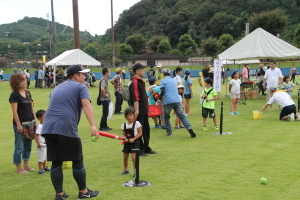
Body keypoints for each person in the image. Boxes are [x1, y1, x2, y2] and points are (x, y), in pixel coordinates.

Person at [41, 65, 100, 200]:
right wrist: (93, 126)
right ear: (75, 76)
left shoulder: (57, 87)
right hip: (65, 127)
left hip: (48, 128)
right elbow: (86, 105)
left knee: (56, 162)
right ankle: (83, 192)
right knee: (77, 159)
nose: (85, 77)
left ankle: (59, 195)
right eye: (83, 74)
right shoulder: (81, 87)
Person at [9, 73, 36, 174]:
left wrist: (34, 121)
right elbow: (15, 112)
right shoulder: (14, 95)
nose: (24, 82)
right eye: (21, 81)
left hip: (30, 123)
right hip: (21, 124)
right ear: (16, 83)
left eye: (24, 80)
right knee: (19, 146)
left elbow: (31, 107)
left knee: (28, 145)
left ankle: (26, 165)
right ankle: (18, 167)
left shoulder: (27, 93)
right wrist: (19, 125)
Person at [158, 68, 196, 137]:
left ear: (163, 74)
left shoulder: (163, 81)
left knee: (166, 117)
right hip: (177, 100)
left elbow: (162, 91)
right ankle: (189, 127)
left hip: (168, 101)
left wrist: (159, 100)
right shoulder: (174, 80)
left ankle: (169, 132)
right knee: (182, 116)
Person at [129, 63, 156, 156]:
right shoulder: (135, 82)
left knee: (146, 129)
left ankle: (146, 147)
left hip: (144, 110)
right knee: (139, 130)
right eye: (142, 69)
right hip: (139, 110)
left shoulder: (140, 81)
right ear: (137, 71)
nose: (144, 71)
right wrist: (136, 111)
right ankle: (140, 149)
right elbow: (136, 98)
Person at [120, 107, 142, 175]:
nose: (129, 117)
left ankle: (135, 171)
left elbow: (140, 133)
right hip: (127, 144)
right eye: (127, 116)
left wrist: (133, 139)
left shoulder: (137, 123)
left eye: (131, 115)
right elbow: (124, 135)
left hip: (134, 143)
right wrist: (125, 139)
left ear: (134, 115)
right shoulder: (124, 125)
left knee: (134, 158)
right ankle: (126, 170)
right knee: (125, 158)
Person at [35, 110, 51, 174]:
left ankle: (45, 167)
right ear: (39, 118)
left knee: (45, 156)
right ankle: (41, 169)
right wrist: (38, 143)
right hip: (41, 145)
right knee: (41, 157)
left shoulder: (45, 125)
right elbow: (36, 135)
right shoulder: (40, 126)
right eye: (44, 117)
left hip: (45, 144)